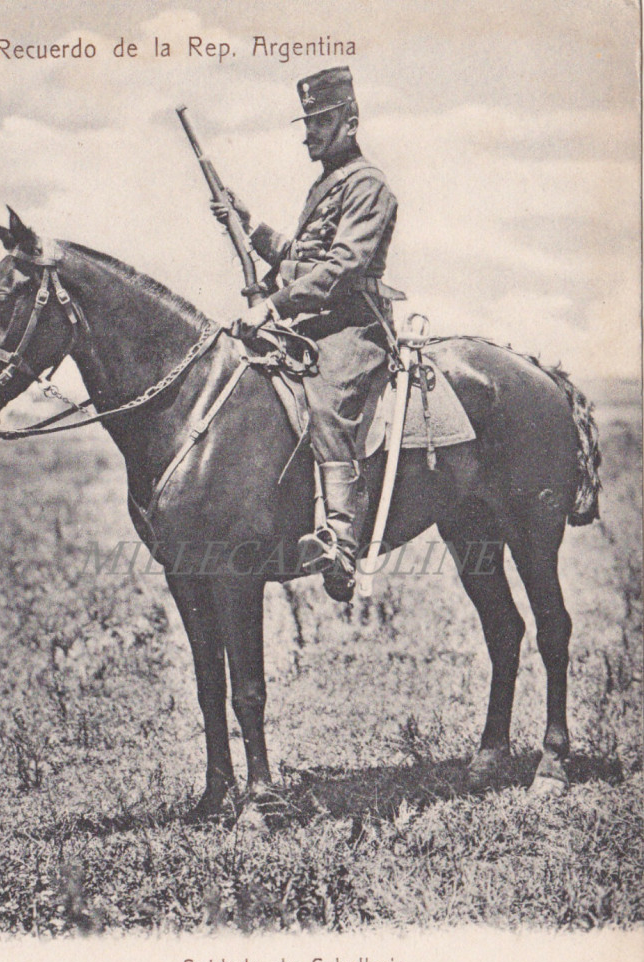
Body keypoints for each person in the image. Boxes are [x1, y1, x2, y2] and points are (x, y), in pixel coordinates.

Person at [212, 66, 402, 601]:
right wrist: (248, 226)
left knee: (326, 402)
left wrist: (270, 304)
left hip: (353, 326)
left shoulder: (368, 184)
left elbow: (341, 269)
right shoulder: (327, 184)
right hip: (312, 323)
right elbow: (303, 258)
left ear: (351, 120)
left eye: (321, 120)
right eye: (308, 121)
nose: (309, 133)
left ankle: (342, 546)